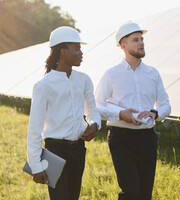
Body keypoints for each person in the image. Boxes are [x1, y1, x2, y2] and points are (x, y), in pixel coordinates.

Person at [95, 22, 171, 200]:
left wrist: (155, 113)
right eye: (135, 40)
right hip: (121, 137)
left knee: (145, 194)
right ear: (123, 45)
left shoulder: (153, 73)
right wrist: (121, 114)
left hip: (147, 138)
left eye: (142, 39)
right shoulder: (111, 74)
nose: (141, 43)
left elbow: (166, 104)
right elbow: (96, 105)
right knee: (131, 193)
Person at [27, 26, 101, 200]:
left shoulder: (84, 80)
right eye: (77, 48)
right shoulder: (43, 86)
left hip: (78, 150)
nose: (81, 53)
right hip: (54, 151)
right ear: (63, 51)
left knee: (73, 197)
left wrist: (94, 125)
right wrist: (35, 166)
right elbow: (34, 129)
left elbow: (92, 110)